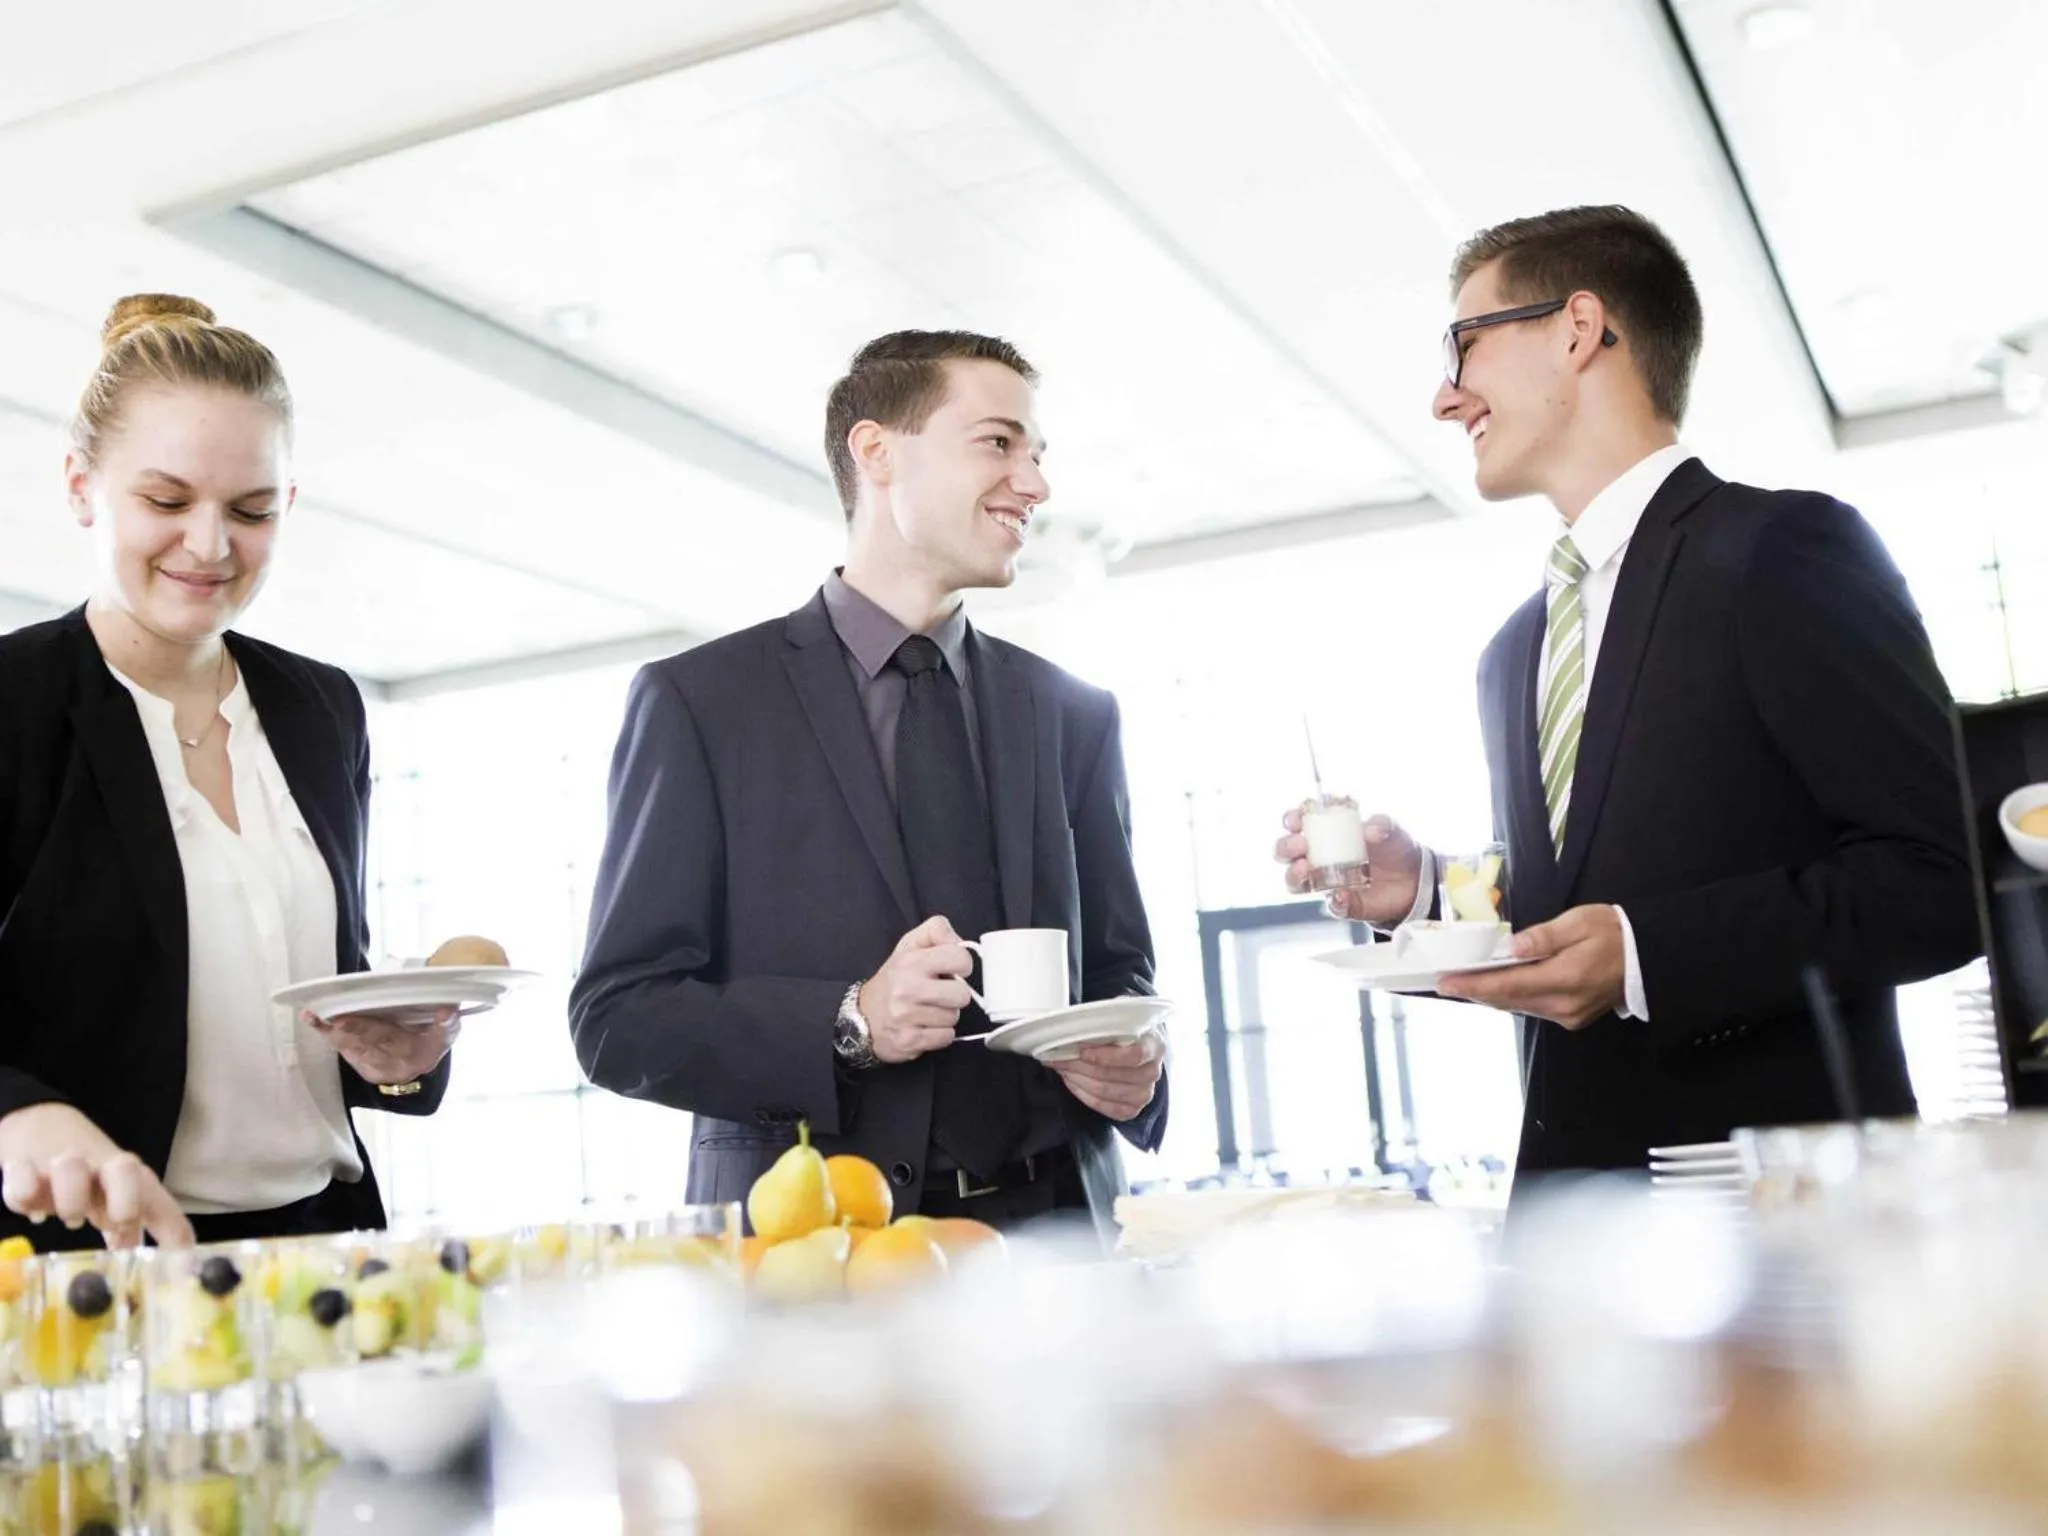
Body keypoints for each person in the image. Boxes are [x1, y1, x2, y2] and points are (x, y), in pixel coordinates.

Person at [1276, 206, 1979, 1179]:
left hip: (1774, 1216)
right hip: (1574, 1221)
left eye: (1462, 347)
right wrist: (1423, 891)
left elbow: (1936, 883)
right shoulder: (1512, 651)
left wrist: (1645, 953)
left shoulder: (1782, 552)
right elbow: (1570, 915)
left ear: (1575, 329)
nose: (1444, 400)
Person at [573, 330, 1166, 1235]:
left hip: (1063, 1242)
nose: (1036, 484)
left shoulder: (1073, 714)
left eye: (1037, 455)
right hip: (821, 1254)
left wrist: (1139, 1067)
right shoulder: (701, 703)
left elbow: (1123, 971)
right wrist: (849, 1020)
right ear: (877, 451)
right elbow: (619, 1021)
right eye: (999, 443)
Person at [0, 294, 457, 1250]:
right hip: (96, 1257)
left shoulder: (322, 709)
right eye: (166, 501)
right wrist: (18, 1111)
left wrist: (400, 1056)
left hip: (326, 1241)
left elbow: (322, 983)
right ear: (82, 486)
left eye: (249, 510)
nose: (210, 546)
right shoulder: (16, 701)